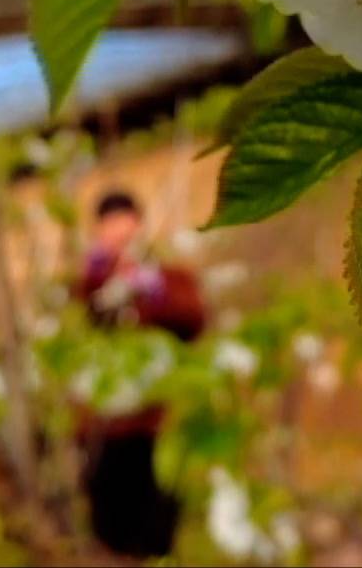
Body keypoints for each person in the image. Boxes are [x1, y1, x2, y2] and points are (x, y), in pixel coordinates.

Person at [75, 191, 205, 557]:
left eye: (126, 221)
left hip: (155, 421)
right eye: (110, 223)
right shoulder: (90, 280)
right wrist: (102, 281)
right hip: (105, 425)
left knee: (155, 521)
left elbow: (194, 318)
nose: (120, 232)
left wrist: (150, 290)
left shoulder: (167, 275)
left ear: (140, 225)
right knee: (110, 523)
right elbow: (80, 324)